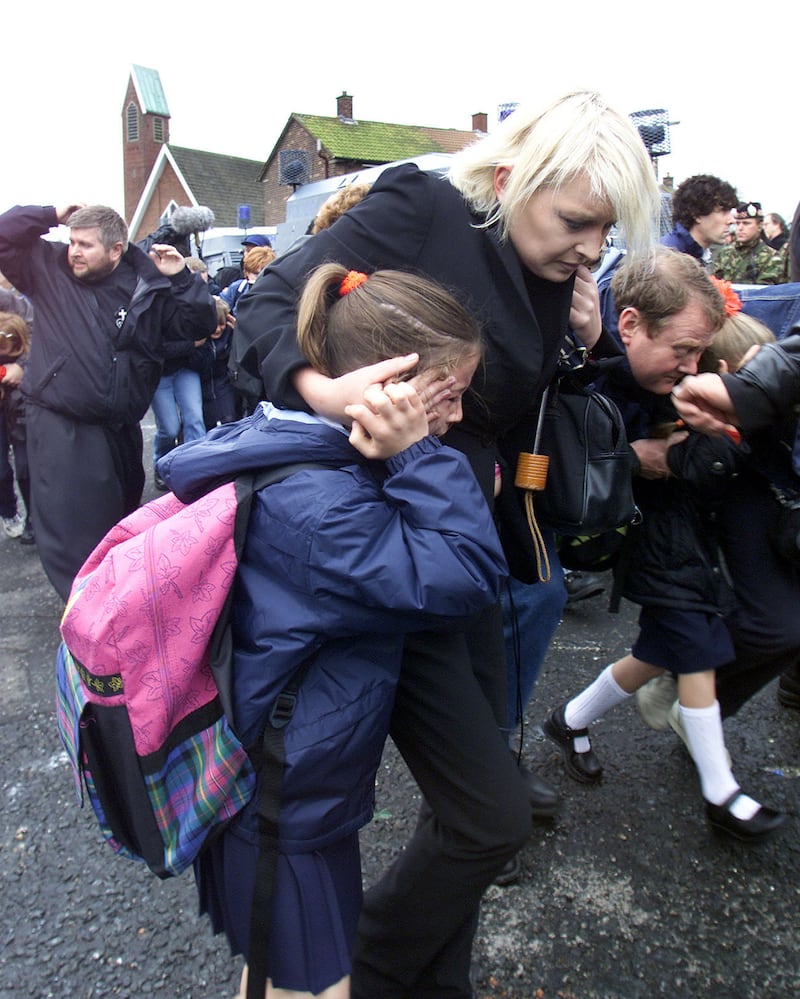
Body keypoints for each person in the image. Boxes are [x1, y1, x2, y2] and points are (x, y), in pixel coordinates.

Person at [233, 90, 660, 998]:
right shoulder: (425, 209)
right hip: (380, 543)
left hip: (465, 551)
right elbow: (270, 302)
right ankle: (375, 967)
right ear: (511, 181)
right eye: (577, 220)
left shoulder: (560, 277)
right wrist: (325, 389)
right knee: (479, 813)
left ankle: (430, 979)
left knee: (481, 813)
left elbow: (508, 396)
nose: (592, 245)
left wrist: (582, 343)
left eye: (606, 227)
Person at [158, 263, 508, 999]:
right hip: (283, 797)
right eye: (445, 393)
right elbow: (463, 576)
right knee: (316, 980)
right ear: (387, 383)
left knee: (286, 963)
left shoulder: (316, 454)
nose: (453, 416)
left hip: (300, 783)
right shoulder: (324, 507)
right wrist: (416, 453)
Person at [541, 248, 785, 842]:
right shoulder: (611, 380)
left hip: (684, 549)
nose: (691, 366)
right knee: (696, 653)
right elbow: (569, 460)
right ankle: (720, 790)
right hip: (660, 551)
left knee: (657, 655)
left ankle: (568, 719)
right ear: (631, 325)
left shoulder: (651, 379)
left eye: (701, 355)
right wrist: (723, 428)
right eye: (684, 351)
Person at [0, 203, 217, 601]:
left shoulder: (146, 282)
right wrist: (51, 212)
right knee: (72, 529)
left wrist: (182, 278)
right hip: (61, 419)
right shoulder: (47, 269)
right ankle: (84, 611)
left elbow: (199, 324)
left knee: (117, 520)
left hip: (119, 424)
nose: (74, 251)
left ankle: (109, 604)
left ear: (116, 250)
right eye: (72, 242)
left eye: (85, 244)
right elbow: (4, 232)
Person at [0, 308, 33, 543]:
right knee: (1, 470)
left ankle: (34, 517)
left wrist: (22, 367)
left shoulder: (15, 307)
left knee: (25, 468)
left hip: (20, 413)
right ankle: (9, 512)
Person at [661, 174, 738, 267]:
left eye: (730, 211)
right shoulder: (668, 261)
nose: (732, 220)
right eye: (723, 211)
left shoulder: (696, 255)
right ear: (697, 214)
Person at [713, 202, 785, 285]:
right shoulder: (725, 253)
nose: (740, 228)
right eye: (737, 223)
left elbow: (766, 291)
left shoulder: (772, 257)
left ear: (760, 226)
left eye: (746, 223)